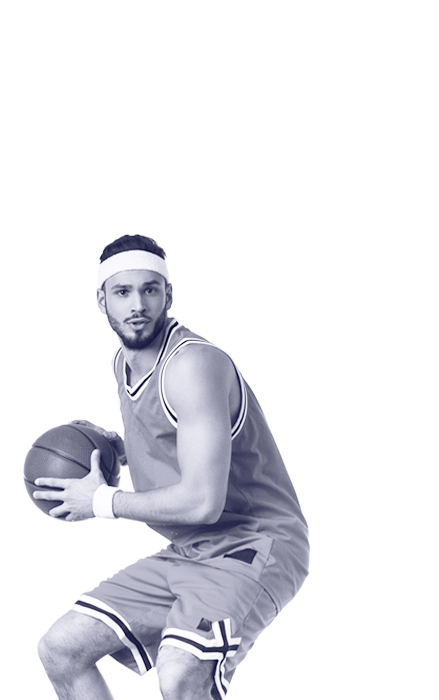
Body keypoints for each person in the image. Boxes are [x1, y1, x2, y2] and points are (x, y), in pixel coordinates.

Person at [33, 235, 310, 700]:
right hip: (190, 550)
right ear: (101, 301)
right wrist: (119, 448)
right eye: (123, 292)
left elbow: (203, 502)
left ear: (169, 294)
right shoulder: (122, 363)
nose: (137, 305)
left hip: (256, 543)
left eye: (150, 290)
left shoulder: (193, 365)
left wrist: (101, 501)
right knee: (61, 649)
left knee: (180, 672)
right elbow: (180, 440)